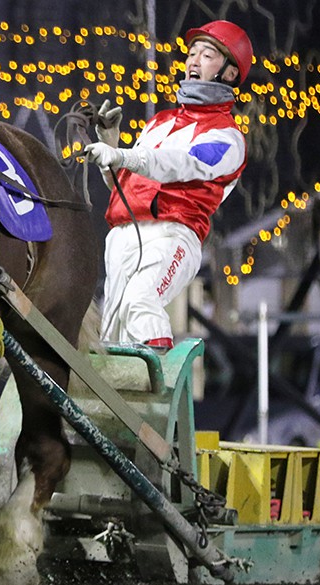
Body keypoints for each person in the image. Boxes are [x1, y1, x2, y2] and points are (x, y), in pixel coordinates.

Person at [84, 20, 253, 351]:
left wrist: (121, 154)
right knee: (111, 334)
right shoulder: (159, 122)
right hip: (123, 237)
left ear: (230, 74)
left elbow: (180, 164)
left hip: (172, 235)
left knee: (140, 301)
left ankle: (156, 396)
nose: (193, 60)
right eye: (192, 53)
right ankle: (117, 400)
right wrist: (111, 142)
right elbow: (127, 184)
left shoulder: (227, 137)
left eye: (207, 55)